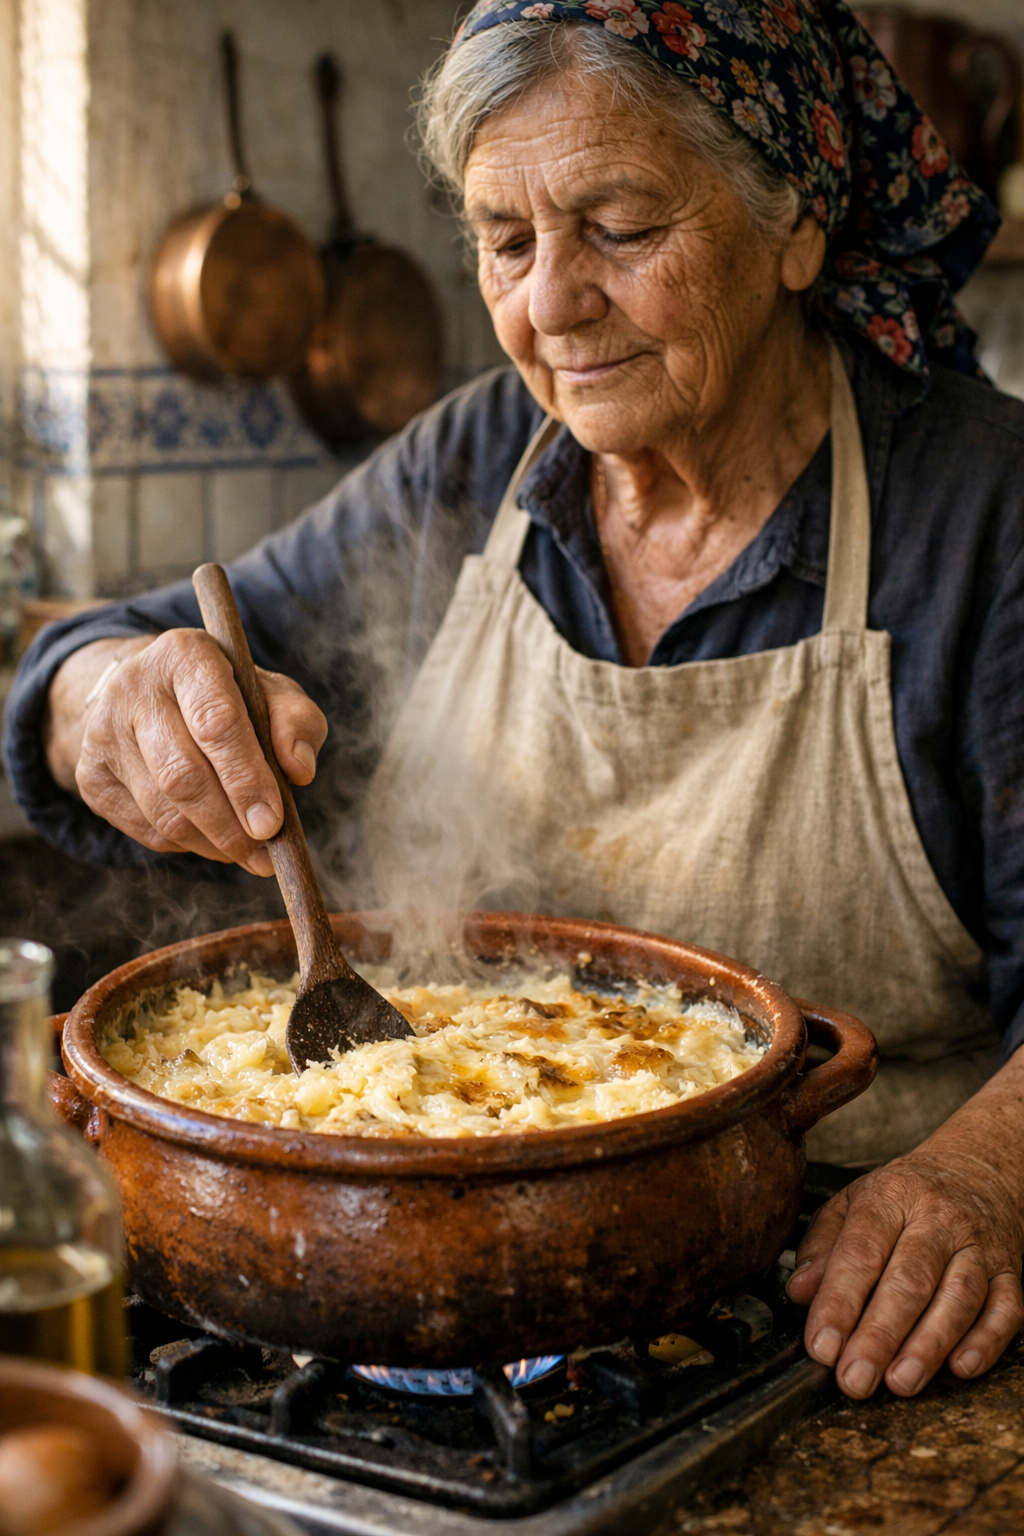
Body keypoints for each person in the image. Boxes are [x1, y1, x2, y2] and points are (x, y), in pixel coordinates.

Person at [6, 1, 1024, 1402]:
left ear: (794, 226)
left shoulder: (984, 516)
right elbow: (119, 649)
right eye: (505, 240)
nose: (550, 299)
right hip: (410, 1272)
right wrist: (107, 693)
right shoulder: (477, 462)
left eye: (618, 226)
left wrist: (982, 1179)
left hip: (841, 1294)